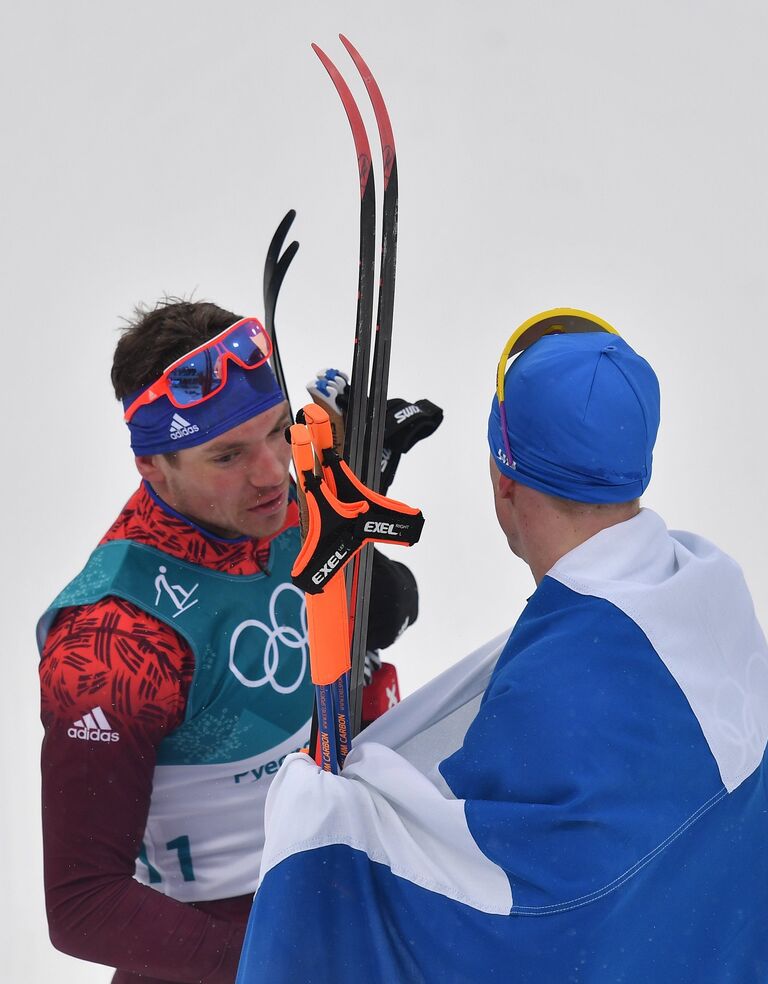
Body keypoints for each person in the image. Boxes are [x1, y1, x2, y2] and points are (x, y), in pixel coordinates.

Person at [236, 309, 768, 984]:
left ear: (503, 482)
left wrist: (318, 819)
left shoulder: (550, 690)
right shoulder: (711, 593)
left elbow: (463, 895)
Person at [37, 299, 441, 984]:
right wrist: (275, 958)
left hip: (348, 895)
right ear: (153, 465)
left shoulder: (280, 495)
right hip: (223, 950)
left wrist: (367, 543)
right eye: (226, 454)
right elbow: (83, 905)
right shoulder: (112, 640)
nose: (270, 473)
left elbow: (366, 605)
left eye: (278, 431)